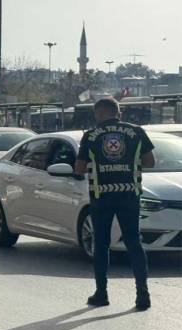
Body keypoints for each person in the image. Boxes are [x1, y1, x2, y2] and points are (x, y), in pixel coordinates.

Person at [74, 97, 155, 310]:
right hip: (130, 194)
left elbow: (79, 169)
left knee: (101, 244)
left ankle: (101, 293)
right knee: (133, 242)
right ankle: (142, 295)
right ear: (118, 113)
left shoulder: (90, 136)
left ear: (98, 113)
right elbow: (150, 161)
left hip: (101, 196)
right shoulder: (137, 132)